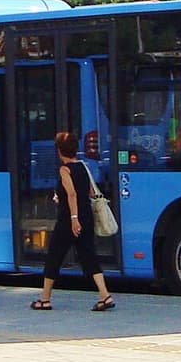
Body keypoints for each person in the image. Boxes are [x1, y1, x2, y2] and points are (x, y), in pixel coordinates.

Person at [31, 130, 115, 312]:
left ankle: (45, 299)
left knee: (54, 256)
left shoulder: (65, 169)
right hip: (87, 217)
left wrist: (73, 219)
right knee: (89, 256)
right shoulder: (83, 167)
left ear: (60, 151)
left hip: (69, 220)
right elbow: (90, 193)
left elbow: (72, 194)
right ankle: (104, 295)